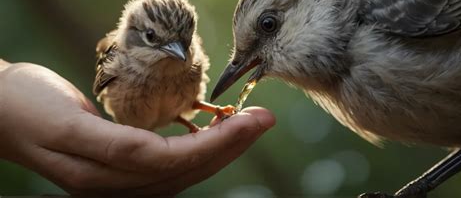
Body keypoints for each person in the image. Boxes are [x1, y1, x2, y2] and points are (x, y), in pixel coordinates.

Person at [0, 59, 275, 195]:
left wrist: (8, 80)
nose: (177, 52)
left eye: (185, 44)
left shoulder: (188, 59)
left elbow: (188, 100)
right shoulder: (119, 59)